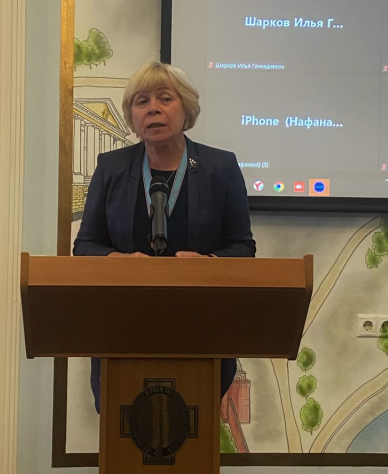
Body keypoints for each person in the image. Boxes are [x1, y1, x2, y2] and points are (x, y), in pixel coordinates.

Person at [73, 61, 256, 413]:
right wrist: (119, 261)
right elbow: (85, 246)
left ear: (186, 108)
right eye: (141, 101)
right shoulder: (111, 167)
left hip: (201, 325)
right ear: (132, 116)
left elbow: (243, 247)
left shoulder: (220, 167)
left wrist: (207, 263)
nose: (153, 108)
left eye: (165, 98)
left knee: (193, 422)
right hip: (123, 326)